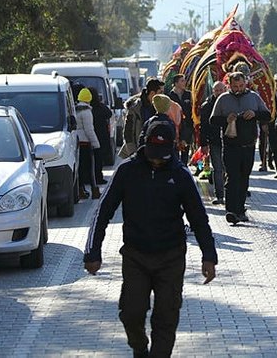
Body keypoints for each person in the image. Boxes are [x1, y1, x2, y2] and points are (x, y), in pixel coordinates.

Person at [84, 119, 217, 358]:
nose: (157, 160)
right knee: (131, 312)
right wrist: (93, 251)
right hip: (136, 255)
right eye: (153, 154)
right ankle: (139, 346)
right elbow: (102, 212)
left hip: (171, 256)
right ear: (144, 146)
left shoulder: (181, 174)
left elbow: (199, 217)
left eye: (162, 156)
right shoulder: (127, 171)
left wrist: (209, 256)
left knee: (167, 315)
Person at [210, 71, 271, 225]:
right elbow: (213, 120)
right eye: (235, 86)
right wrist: (226, 119)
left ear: (246, 84)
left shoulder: (253, 97)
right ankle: (231, 211)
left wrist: (255, 114)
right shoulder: (223, 99)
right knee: (232, 177)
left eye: (241, 85)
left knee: (244, 178)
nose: (238, 88)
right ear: (229, 85)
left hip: (248, 146)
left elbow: (267, 115)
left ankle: (240, 210)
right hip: (230, 145)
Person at [119, 78, 165, 159]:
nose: (162, 95)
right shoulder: (135, 108)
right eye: (160, 92)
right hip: (138, 151)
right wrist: (133, 153)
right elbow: (128, 133)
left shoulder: (161, 107)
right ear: (152, 93)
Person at [199, 81, 227, 205]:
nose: (219, 93)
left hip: (230, 141)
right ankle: (219, 195)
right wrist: (203, 143)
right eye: (217, 90)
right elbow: (203, 126)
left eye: (221, 90)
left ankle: (231, 193)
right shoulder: (207, 106)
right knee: (217, 168)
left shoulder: (229, 103)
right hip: (215, 141)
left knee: (230, 168)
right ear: (213, 91)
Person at [75, 88, 101, 200]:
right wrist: (96, 144)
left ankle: (80, 190)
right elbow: (89, 130)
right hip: (86, 142)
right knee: (91, 168)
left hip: (77, 142)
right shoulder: (87, 112)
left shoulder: (75, 110)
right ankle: (95, 190)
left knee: (80, 168)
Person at [168, 74, 194, 165]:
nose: (184, 82)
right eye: (182, 81)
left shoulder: (188, 94)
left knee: (185, 151)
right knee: (175, 151)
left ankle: (184, 168)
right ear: (176, 83)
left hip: (187, 126)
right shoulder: (170, 96)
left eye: (184, 80)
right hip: (175, 126)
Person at [89, 87, 112, 186]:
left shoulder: (87, 109)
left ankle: (92, 177)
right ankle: (98, 177)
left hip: (89, 137)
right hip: (101, 136)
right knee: (99, 159)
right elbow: (109, 114)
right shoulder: (100, 107)